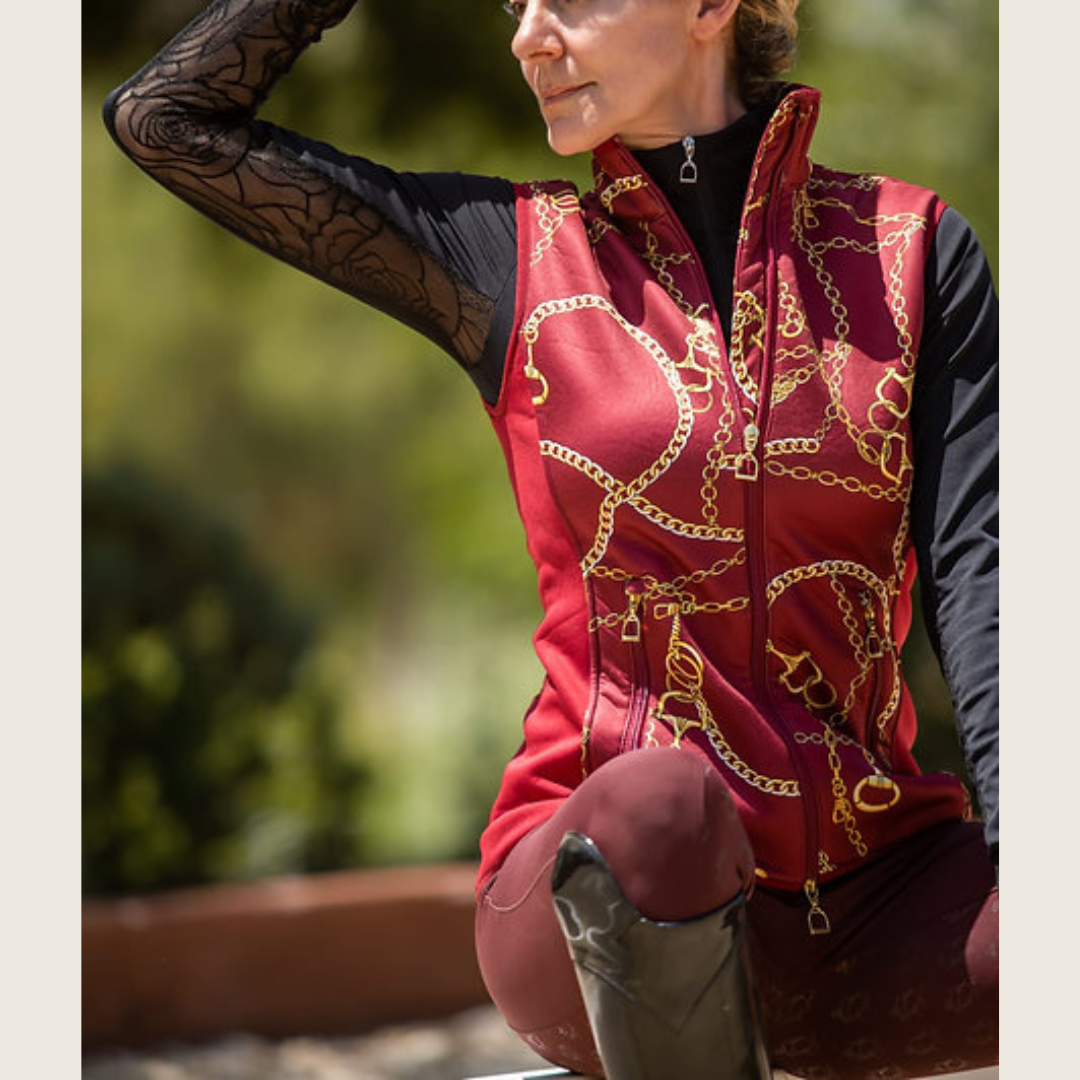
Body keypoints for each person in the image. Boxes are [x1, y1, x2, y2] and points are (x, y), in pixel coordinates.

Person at [103, 1, 999, 1076]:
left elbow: (983, 579)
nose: (528, 37)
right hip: (602, 906)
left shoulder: (910, 253)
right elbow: (167, 121)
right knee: (665, 802)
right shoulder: (516, 257)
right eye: (513, 5)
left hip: (869, 915)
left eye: (567, 0)